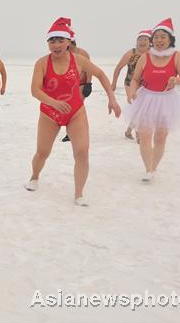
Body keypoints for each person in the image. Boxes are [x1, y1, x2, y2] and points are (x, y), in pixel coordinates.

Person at [24, 17, 121, 206]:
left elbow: (100, 74)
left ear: (69, 42)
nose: (56, 45)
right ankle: (35, 177)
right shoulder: (42, 63)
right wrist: (54, 102)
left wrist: (112, 98)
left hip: (75, 112)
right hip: (49, 113)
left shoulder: (79, 60)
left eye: (61, 40)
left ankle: (79, 194)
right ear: (48, 43)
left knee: (82, 152)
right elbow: (35, 90)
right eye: (52, 41)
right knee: (42, 152)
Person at [124, 18, 180, 182]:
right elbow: (135, 79)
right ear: (152, 40)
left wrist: (176, 80)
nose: (159, 40)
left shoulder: (177, 56)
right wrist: (132, 91)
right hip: (147, 98)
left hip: (168, 100)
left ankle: (154, 167)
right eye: (156, 37)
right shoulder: (145, 57)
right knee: (145, 135)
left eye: (163, 37)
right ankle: (148, 169)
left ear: (170, 39)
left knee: (160, 137)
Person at [112, 29, 152, 142]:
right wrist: (113, 83)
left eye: (145, 39)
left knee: (142, 109)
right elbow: (118, 68)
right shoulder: (132, 52)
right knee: (138, 107)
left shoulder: (153, 54)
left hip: (146, 85)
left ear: (150, 42)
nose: (142, 41)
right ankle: (139, 136)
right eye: (140, 39)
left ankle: (129, 131)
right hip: (130, 83)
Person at [61, 24, 92, 142]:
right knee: (70, 108)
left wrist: (89, 84)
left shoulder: (83, 53)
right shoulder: (64, 54)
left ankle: (73, 133)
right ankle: (72, 131)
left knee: (76, 107)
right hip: (69, 85)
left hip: (82, 83)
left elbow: (90, 69)